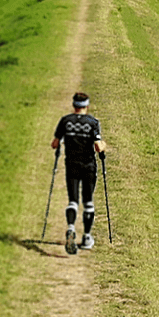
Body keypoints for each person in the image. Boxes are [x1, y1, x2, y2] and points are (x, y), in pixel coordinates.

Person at [52, 92, 107, 253]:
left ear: (73, 105)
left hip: (71, 165)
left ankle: (71, 227)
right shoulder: (93, 122)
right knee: (88, 202)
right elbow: (98, 147)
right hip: (88, 166)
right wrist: (104, 145)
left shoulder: (65, 121)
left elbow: (55, 144)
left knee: (73, 201)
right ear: (87, 106)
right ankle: (87, 237)